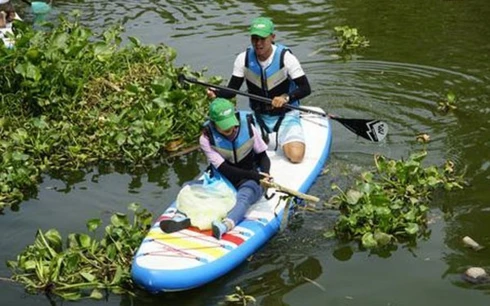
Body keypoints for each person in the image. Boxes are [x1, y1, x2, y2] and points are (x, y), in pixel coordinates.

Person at [160, 98, 272, 240]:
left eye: (232, 124)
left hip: (249, 178)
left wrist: (264, 175)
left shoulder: (248, 127)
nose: (230, 129)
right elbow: (225, 169)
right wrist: (254, 176)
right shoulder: (206, 139)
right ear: (213, 123)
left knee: (245, 196)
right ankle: (181, 216)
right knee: (188, 188)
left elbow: (263, 156)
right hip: (224, 178)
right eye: (224, 126)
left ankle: (225, 225)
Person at [208, 17, 312, 164]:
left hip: (286, 115)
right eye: (255, 38)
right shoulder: (242, 59)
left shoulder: (286, 58)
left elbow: (305, 88)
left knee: (296, 156)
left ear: (272, 37)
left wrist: (286, 98)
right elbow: (232, 91)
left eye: (262, 39)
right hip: (259, 116)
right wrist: (216, 93)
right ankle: (261, 136)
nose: (258, 43)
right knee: (243, 155)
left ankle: (288, 136)